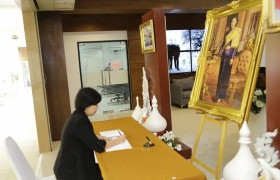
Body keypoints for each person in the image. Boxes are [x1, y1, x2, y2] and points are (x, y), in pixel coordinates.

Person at [54, 87, 126, 180]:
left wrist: (97, 137)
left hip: (68, 165)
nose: (97, 107)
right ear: (86, 105)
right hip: (71, 172)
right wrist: (119, 140)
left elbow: (82, 136)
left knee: (104, 169)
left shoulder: (77, 115)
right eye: (95, 104)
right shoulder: (80, 121)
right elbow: (99, 147)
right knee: (108, 173)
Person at [216, 14, 242, 103]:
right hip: (224, 56)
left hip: (230, 56)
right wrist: (219, 54)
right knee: (221, 75)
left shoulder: (237, 31)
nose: (232, 23)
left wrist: (232, 58)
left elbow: (235, 47)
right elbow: (223, 44)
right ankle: (218, 96)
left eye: (234, 21)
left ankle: (221, 95)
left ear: (236, 22)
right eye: (231, 21)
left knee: (225, 76)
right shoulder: (227, 32)